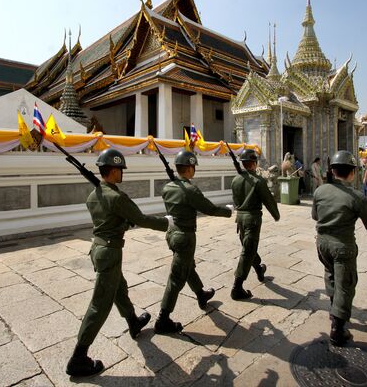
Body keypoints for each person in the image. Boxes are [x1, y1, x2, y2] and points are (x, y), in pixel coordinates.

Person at [66, 148, 172, 377]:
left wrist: (123, 224)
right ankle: (78, 357)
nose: (122, 173)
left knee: (118, 289)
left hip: (99, 248)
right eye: (120, 169)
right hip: (110, 252)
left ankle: (133, 321)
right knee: (99, 305)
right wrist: (167, 223)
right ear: (113, 171)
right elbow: (142, 219)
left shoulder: (94, 195)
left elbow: (108, 222)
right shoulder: (116, 197)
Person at [312, 150, 367, 346]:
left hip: (322, 243)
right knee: (345, 285)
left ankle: (333, 309)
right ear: (352, 172)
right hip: (342, 246)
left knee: (330, 276)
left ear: (332, 170)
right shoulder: (355, 197)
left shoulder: (320, 191)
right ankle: (338, 329)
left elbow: (315, 216)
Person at [155, 150, 233, 334]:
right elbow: (209, 209)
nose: (194, 170)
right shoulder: (190, 190)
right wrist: (228, 211)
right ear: (189, 168)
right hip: (185, 236)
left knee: (187, 266)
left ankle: (200, 294)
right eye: (193, 167)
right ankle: (163, 319)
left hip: (171, 234)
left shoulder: (167, 188)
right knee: (176, 278)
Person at [230, 149, 280, 300]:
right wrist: (276, 215)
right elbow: (268, 200)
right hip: (252, 219)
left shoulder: (235, 180)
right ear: (254, 163)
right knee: (247, 251)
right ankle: (237, 287)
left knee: (249, 248)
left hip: (240, 219)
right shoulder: (258, 181)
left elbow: (236, 199)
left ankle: (258, 268)